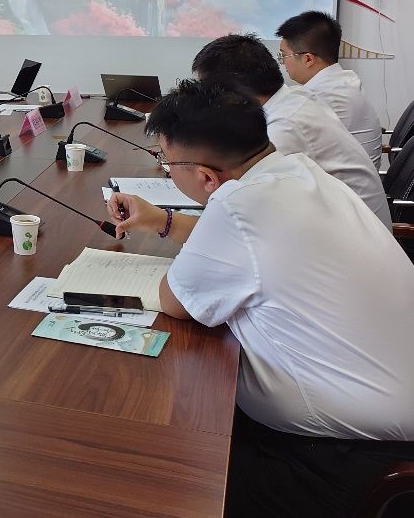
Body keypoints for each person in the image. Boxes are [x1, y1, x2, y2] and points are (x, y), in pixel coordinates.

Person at [106, 79, 414, 517]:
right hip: (381, 422)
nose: (167, 170)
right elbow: (248, 248)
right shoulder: (297, 171)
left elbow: (175, 301)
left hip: (346, 459)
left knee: (155, 473)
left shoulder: (239, 205)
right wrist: (162, 220)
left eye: (166, 162)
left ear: (206, 177)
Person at [192, 33, 390, 226]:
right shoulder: (292, 99)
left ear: (234, 92)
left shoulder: (285, 126)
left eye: (208, 94)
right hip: (347, 226)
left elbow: (240, 200)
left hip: (351, 234)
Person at [275, 10, 383, 167]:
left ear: (308, 59)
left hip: (343, 182)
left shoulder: (322, 97)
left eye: (284, 55)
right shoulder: (342, 82)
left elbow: (280, 151)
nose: (283, 62)